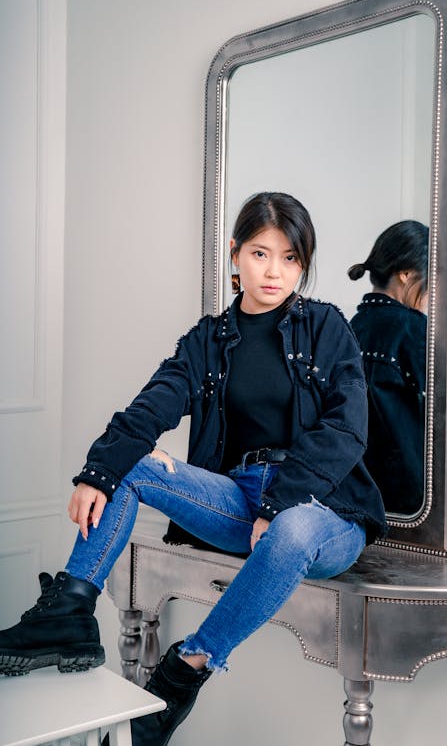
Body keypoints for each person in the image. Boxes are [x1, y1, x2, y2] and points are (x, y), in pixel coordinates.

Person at [0, 192, 387, 746]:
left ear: (303, 263)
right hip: (240, 498)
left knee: (293, 529)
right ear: (234, 253)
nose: (274, 271)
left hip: (324, 511)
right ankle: (71, 610)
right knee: (128, 465)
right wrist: (97, 471)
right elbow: (152, 405)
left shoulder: (327, 327)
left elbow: (348, 430)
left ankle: (190, 665)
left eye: (290, 258)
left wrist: (280, 506)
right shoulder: (207, 340)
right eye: (260, 253)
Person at [348, 220, 429, 515]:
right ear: (406, 275)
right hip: (409, 495)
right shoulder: (415, 330)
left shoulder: (350, 328)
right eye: (429, 283)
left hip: (358, 490)